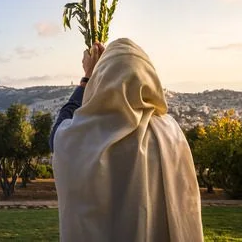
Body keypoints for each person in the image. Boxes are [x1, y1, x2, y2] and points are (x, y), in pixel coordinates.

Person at [50, 38, 204, 241]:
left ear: (101, 81)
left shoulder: (82, 135)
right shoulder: (170, 132)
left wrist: (87, 77)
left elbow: (56, 135)